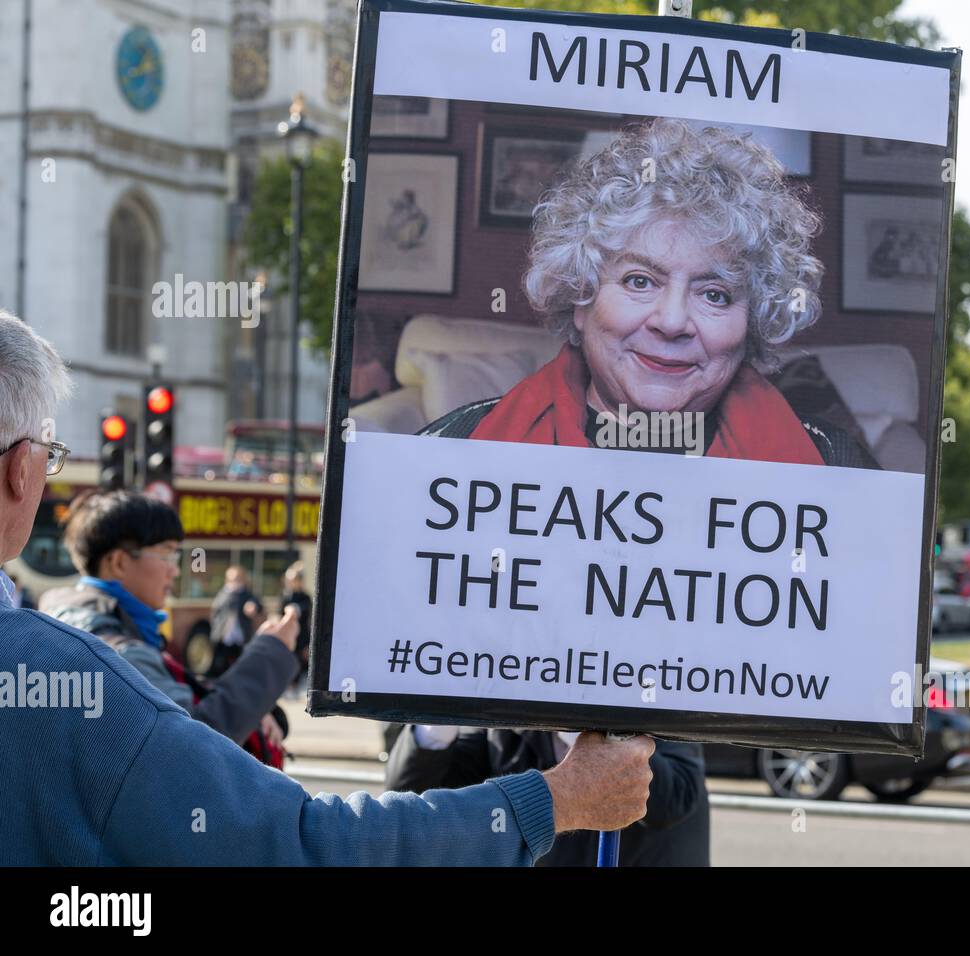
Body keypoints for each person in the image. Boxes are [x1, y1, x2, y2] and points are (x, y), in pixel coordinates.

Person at [0, 310, 653, 864]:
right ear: (19, 472)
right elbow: (306, 844)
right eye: (48, 451)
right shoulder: (61, 675)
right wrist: (555, 800)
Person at [421, 118, 876, 469]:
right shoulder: (457, 446)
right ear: (582, 298)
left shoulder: (832, 466)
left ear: (752, 322)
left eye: (714, 294)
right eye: (640, 281)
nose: (672, 321)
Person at [40, 491, 297, 757]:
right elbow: (196, 742)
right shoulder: (120, 655)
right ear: (118, 562)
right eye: (167, 555)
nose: (175, 570)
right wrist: (270, 652)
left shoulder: (80, 622)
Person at [385, 726, 709, 866]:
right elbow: (410, 797)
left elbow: (676, 797)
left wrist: (571, 726)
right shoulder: (502, 717)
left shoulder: (649, 685)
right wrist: (437, 715)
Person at [209, 565, 261, 676]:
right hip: (224, 637)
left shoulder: (246, 594)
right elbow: (217, 612)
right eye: (232, 579)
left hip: (240, 637)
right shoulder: (223, 594)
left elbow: (257, 604)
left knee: (240, 666)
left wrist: (253, 606)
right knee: (220, 666)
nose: (235, 582)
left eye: (238, 579)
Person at [280, 561, 313, 684]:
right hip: (288, 635)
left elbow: (307, 615)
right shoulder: (286, 596)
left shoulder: (305, 597)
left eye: (293, 580)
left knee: (302, 663)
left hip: (302, 636)